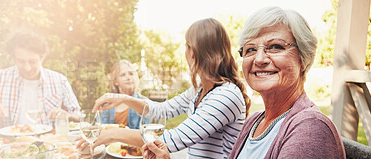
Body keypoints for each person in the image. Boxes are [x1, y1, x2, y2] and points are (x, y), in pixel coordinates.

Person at [143, 7, 346, 159]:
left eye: (275, 46)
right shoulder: (254, 122)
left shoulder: (310, 129)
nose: (259, 59)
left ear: (303, 58)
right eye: (250, 49)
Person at [77, 18, 251, 158]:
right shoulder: (199, 90)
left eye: (187, 45)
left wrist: (111, 134)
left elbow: (169, 139)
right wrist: (123, 99)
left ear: (193, 52)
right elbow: (161, 110)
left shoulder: (226, 95)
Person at [0, 32, 81, 128]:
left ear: (42, 58)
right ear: (14, 58)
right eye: (21, 61)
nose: (27, 67)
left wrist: (67, 116)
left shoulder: (59, 81)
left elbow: (78, 116)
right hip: (7, 143)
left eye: (32, 61)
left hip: (49, 142)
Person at [100, 60, 145, 129]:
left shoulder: (143, 103)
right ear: (115, 82)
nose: (128, 78)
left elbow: (146, 132)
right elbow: (102, 129)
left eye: (131, 74)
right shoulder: (107, 105)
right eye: (123, 75)